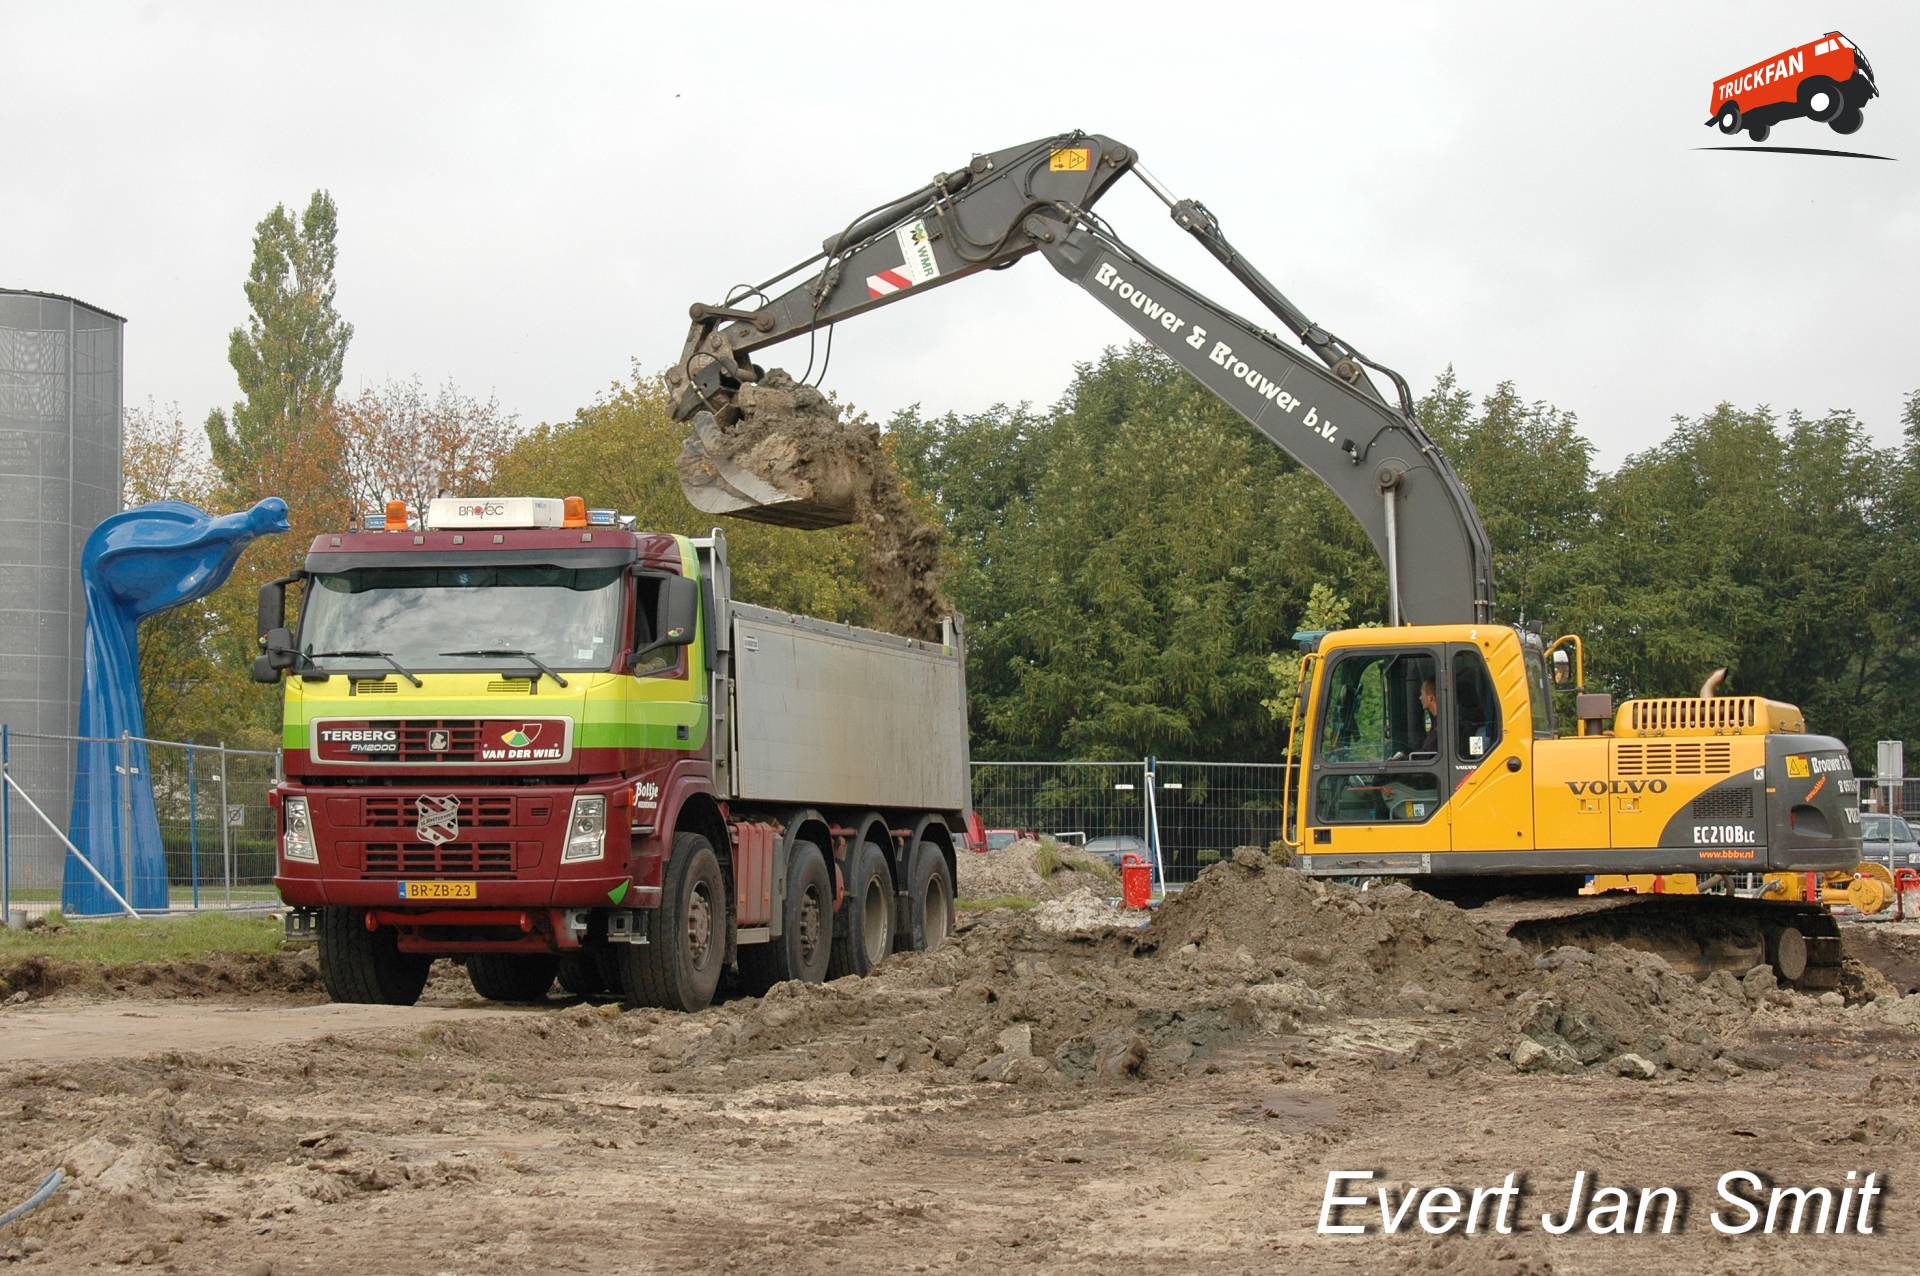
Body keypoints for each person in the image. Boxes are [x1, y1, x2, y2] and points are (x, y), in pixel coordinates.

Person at [1415, 678, 1439, 756]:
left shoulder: (1439, 728)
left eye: (1422, 694)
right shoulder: (1437, 724)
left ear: (1431, 698)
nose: (1420, 698)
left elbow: (1426, 752)